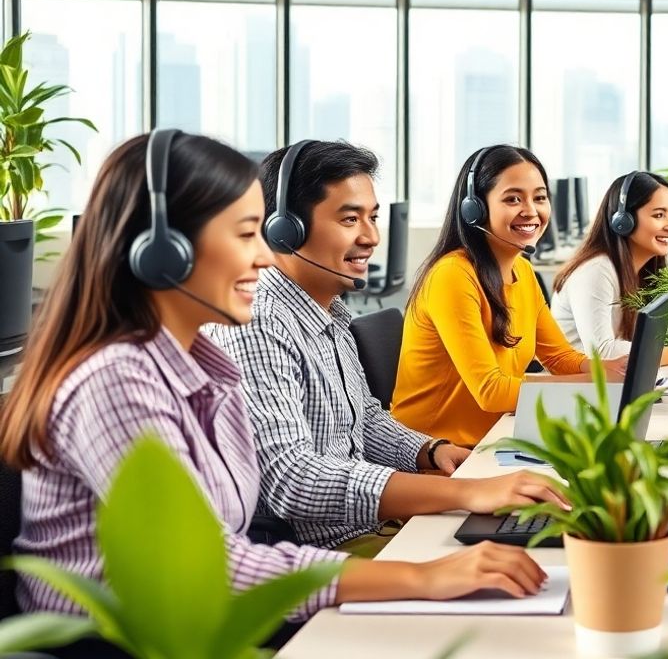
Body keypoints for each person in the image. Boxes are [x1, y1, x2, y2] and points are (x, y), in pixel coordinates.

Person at [0, 132, 550, 651]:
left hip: (211, 614)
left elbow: (356, 425)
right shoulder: (117, 380)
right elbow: (221, 554)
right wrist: (420, 574)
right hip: (139, 642)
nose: (264, 256)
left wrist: (430, 459)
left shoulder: (197, 364)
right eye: (245, 235)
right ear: (165, 251)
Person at [207, 140, 562, 556]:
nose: (371, 236)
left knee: (551, 542)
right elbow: (292, 480)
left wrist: (429, 450)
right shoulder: (259, 324)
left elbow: (366, 420)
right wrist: (465, 493)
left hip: (372, 525)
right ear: (286, 229)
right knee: (523, 561)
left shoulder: (330, 314)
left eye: (372, 217)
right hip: (319, 552)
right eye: (350, 219)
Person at [391, 145, 627, 447]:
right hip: (440, 452)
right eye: (513, 198)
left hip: (498, 436)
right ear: (474, 208)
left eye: (539, 197)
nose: (531, 210)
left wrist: (611, 368)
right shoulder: (452, 276)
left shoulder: (523, 272)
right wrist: (598, 384)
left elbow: (559, 356)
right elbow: (491, 392)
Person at [550, 170, 668, 367]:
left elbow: (659, 337)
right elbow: (603, 352)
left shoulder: (649, 269)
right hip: (578, 388)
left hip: (614, 383)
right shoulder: (595, 271)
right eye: (659, 215)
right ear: (623, 221)